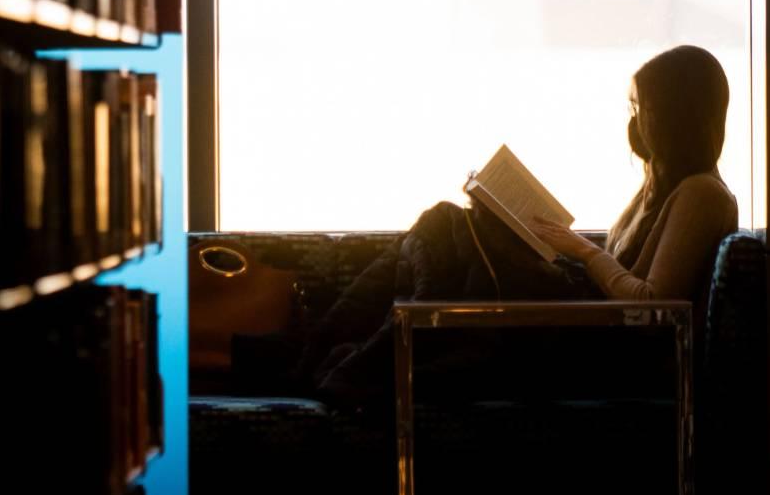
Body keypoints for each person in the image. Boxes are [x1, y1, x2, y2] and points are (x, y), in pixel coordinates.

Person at [303, 45, 739, 411]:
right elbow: (619, 272)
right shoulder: (657, 190)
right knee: (449, 230)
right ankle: (348, 360)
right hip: (591, 329)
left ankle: (345, 364)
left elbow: (653, 306)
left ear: (672, 116)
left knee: (444, 224)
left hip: (608, 353)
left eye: (640, 107)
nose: (632, 120)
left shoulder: (703, 194)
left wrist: (584, 252)